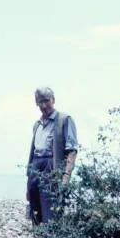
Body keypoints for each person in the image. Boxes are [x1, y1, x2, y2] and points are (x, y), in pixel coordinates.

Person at [26, 86, 78, 225]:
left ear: (53, 100)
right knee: (35, 212)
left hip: (52, 167)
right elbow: (32, 154)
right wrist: (28, 183)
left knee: (51, 211)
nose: (44, 105)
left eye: (46, 101)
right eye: (40, 102)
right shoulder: (37, 125)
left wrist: (65, 178)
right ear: (36, 103)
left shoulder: (64, 120)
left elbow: (72, 150)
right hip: (35, 167)